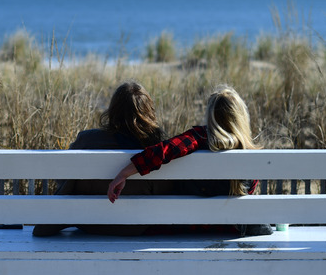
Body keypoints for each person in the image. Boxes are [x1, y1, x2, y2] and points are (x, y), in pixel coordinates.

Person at [107, 84, 272, 236]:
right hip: (227, 229)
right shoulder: (251, 155)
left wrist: (124, 173)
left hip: (189, 225)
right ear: (241, 117)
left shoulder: (199, 137)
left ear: (210, 116)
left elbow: (163, 151)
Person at [32, 81, 173, 237]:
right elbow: (165, 193)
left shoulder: (87, 140)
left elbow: (64, 180)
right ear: (148, 112)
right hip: (136, 228)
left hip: (88, 224)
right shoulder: (155, 150)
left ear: (113, 111)